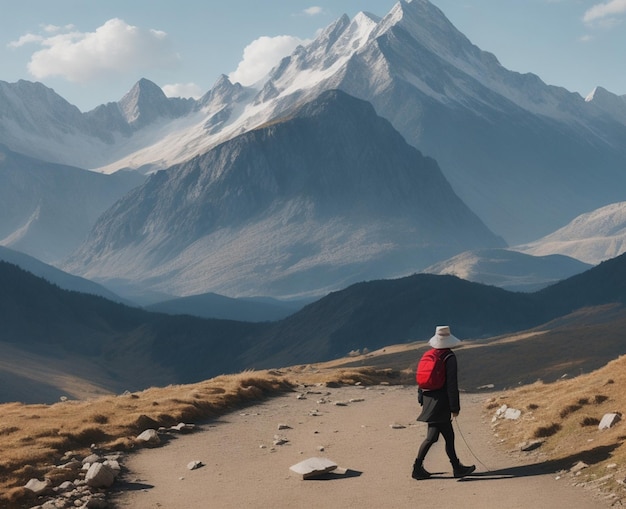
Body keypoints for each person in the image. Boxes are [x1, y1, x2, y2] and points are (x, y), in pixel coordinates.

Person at [412, 325, 476, 480]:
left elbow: (422, 380)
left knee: (440, 436)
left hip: (429, 400)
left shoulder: (429, 354)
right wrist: (455, 407)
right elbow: (451, 385)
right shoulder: (449, 357)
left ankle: (451, 467)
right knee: (439, 436)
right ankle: (421, 468)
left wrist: (421, 397)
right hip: (442, 402)